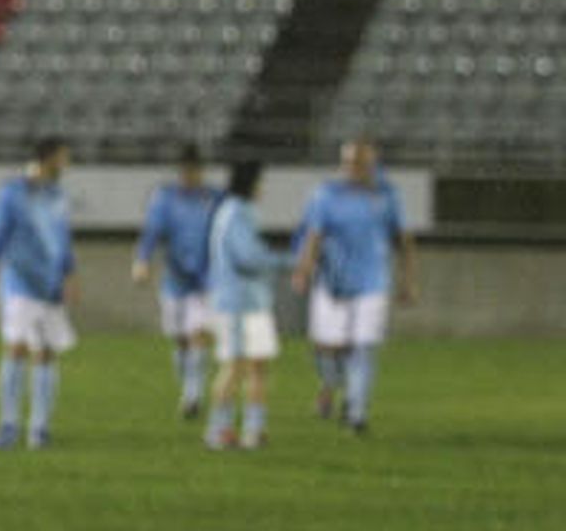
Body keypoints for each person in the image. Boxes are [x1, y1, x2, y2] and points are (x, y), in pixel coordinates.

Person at [291, 139, 419, 434]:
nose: (352, 169)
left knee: (363, 348)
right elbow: (314, 235)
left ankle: (357, 412)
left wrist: (408, 280)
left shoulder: (387, 196)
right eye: (347, 163)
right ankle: (331, 384)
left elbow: (404, 240)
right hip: (332, 281)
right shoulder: (326, 194)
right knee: (328, 349)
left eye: (359, 163)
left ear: (372, 164)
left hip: (372, 283)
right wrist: (304, 269)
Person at [0, 137, 78, 449]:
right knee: (17, 348)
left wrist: (70, 273)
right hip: (19, 282)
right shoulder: (13, 193)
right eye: (63, 158)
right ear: (48, 159)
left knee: (46, 352)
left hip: (50, 286)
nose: (67, 165)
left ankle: (39, 428)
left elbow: (63, 238)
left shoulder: (57, 195)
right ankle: (8, 424)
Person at [204, 161, 292, 450]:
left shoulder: (233, 212)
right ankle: (219, 430)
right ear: (251, 183)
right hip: (237, 302)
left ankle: (254, 431)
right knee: (237, 365)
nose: (262, 188)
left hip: (251, 301)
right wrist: (286, 261)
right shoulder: (236, 213)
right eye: (260, 182)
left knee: (257, 366)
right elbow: (248, 258)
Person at [131, 143, 220, 418]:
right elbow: (152, 232)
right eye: (184, 170)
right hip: (176, 279)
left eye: (193, 170)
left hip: (207, 280)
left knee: (198, 335)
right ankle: (188, 388)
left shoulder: (215, 198)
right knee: (180, 340)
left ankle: (193, 395)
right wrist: (142, 260)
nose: (189, 175)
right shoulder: (166, 198)